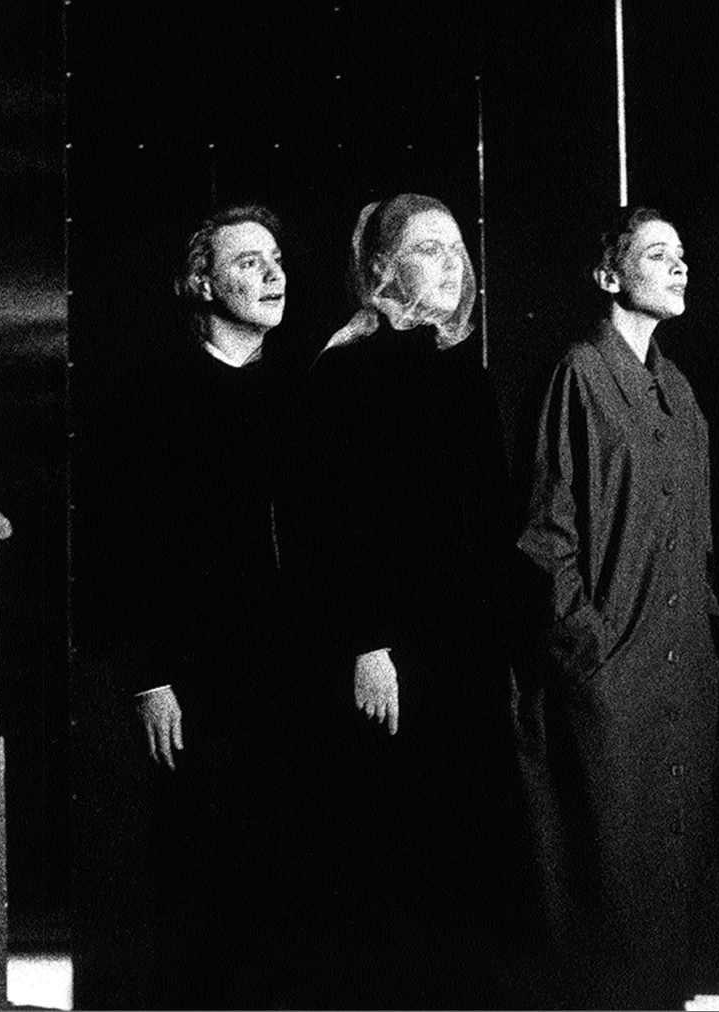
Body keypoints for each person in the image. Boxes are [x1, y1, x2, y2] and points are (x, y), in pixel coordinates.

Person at [512, 206, 719, 1010]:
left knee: (670, 880)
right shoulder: (580, 374)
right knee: (603, 882)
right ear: (609, 275)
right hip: (610, 679)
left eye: (682, 253)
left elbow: (695, 534)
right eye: (656, 254)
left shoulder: (679, 390)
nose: (679, 266)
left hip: (678, 674)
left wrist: (709, 630)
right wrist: (590, 653)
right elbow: (546, 537)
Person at [301, 193, 514, 1008]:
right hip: (391, 657)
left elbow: (489, 527)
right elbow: (329, 524)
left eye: (457, 247)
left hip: (464, 654)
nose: (451, 263)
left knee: (461, 851)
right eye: (428, 248)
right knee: (390, 844)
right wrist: (367, 642)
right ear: (383, 267)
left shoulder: (467, 377)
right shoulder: (347, 371)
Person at [117, 203, 297, 1009]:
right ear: (202, 284)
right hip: (197, 685)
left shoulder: (299, 393)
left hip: (287, 677)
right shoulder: (156, 395)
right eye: (249, 263)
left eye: (275, 259)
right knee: (202, 880)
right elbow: (126, 550)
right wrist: (149, 676)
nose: (273, 274)